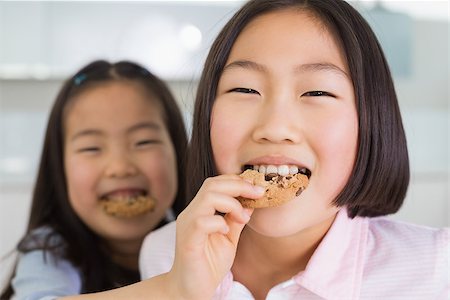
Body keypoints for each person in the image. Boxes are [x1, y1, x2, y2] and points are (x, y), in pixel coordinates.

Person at [139, 0, 449, 299]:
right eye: (245, 89)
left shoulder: (435, 270)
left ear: (371, 119)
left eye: (317, 91)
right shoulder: (165, 254)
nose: (274, 128)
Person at [0, 60, 188, 299]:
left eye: (144, 142)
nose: (120, 167)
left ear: (178, 152)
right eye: (91, 148)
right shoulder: (50, 250)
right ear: (60, 166)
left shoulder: (203, 239)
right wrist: (173, 287)